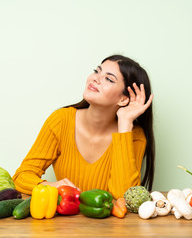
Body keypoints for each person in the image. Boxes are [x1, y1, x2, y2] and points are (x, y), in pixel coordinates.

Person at [13, 54, 155, 199]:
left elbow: (124, 196)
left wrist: (125, 124)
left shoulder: (134, 136)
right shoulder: (61, 120)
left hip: (108, 221)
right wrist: (51, 187)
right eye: (97, 71)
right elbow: (21, 177)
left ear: (123, 99)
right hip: (63, 220)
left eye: (108, 79)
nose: (96, 78)